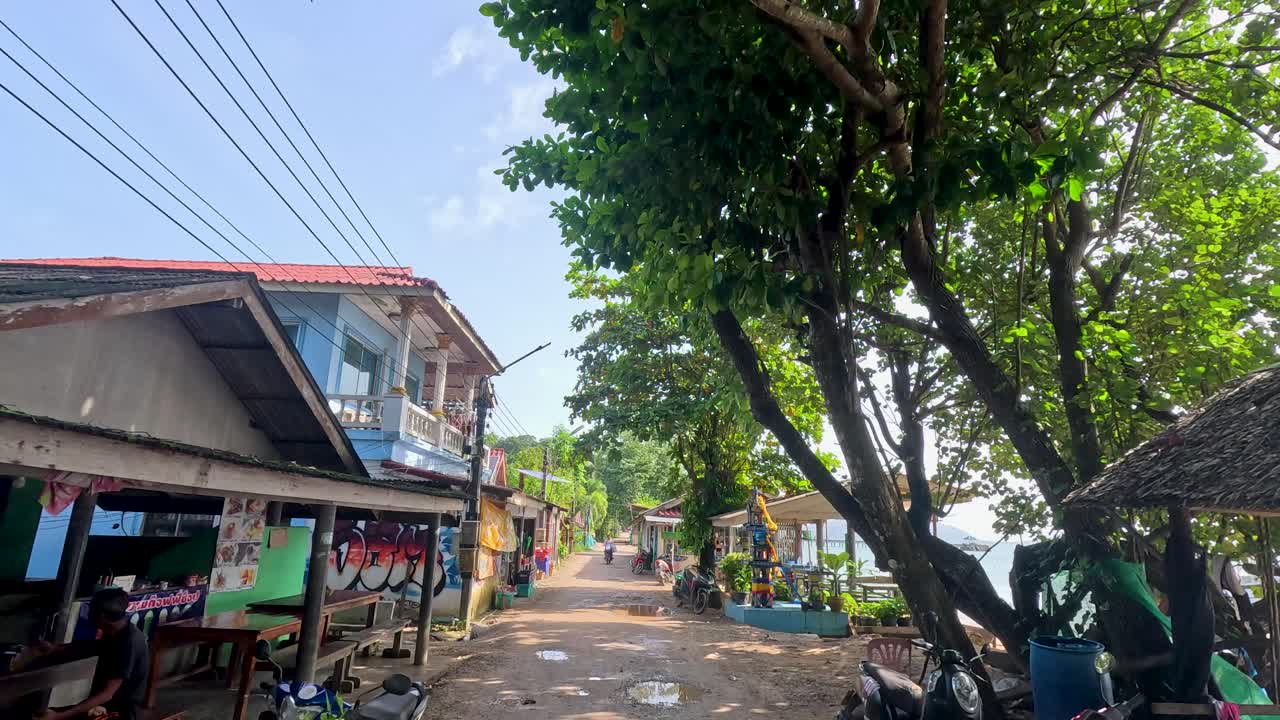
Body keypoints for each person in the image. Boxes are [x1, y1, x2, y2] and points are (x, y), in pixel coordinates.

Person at [29, 588, 149, 720]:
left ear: (102, 616)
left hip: (120, 713)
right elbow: (90, 647)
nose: (88, 614)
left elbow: (107, 694)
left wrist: (59, 716)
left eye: (91, 610)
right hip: (104, 705)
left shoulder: (128, 644)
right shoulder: (118, 631)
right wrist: (55, 648)